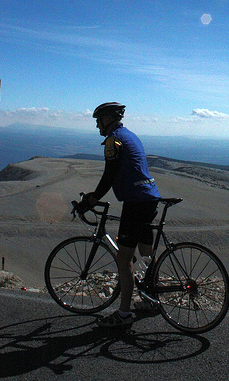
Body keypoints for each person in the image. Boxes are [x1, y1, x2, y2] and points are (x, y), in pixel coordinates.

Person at [77, 102, 161, 327]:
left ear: (109, 119)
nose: (97, 125)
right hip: (149, 197)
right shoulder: (129, 135)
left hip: (135, 201)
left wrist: (91, 201)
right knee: (145, 251)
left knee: (124, 258)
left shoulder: (113, 141)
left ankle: (124, 315)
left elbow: (109, 175)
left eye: (99, 120)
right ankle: (152, 298)